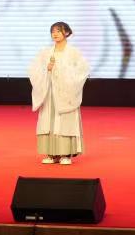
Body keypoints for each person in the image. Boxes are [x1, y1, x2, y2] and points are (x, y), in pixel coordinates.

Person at [28, 22, 89, 165]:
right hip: (49, 92)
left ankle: (65, 154)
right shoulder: (46, 52)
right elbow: (34, 70)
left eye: (58, 31)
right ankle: (51, 154)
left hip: (65, 93)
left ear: (66, 33)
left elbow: (83, 70)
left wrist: (62, 71)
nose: (55, 34)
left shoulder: (73, 52)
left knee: (65, 121)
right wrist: (46, 69)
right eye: (53, 31)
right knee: (48, 121)